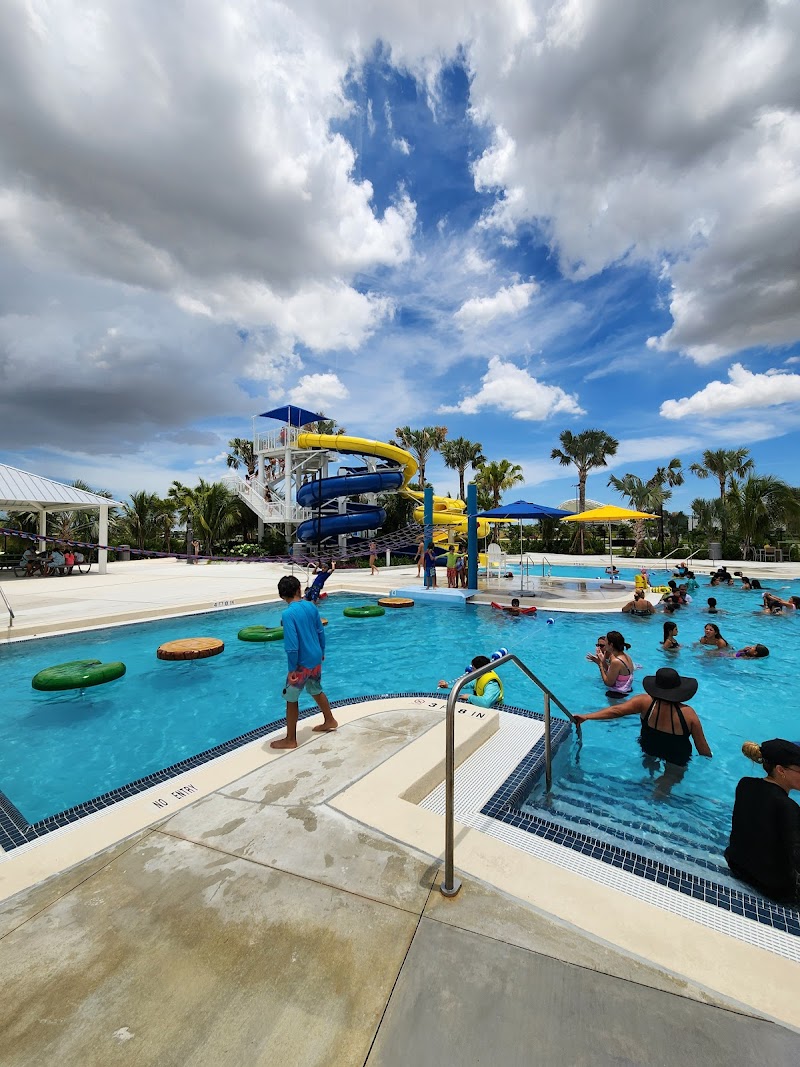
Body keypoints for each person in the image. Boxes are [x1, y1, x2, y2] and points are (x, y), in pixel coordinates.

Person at [573, 668, 712, 795]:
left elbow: (616, 711)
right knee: (668, 780)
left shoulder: (644, 702)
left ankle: (647, 781)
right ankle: (659, 797)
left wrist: (586, 716)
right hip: (676, 755)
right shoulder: (688, 714)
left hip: (650, 745)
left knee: (649, 765)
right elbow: (702, 748)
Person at [725, 738, 800, 903]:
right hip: (773, 888)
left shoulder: (744, 784)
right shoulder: (788, 807)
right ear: (780, 770)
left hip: (737, 865)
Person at [270, 574, 337, 750]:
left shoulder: (288, 614)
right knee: (315, 689)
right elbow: (320, 631)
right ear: (299, 589)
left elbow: (292, 646)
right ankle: (329, 720)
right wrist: (321, 651)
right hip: (315, 658)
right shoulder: (311, 606)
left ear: (281, 596)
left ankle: (290, 739)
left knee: (291, 698)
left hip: (301, 663)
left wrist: (292, 669)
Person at [438, 654, 504, 708]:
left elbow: (486, 703)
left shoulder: (492, 685)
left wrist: (469, 697)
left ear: (480, 670)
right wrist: (447, 686)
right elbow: (466, 684)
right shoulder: (481, 676)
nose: (471, 671)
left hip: (495, 709)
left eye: (473, 668)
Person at [586, 630, 634, 698]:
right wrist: (600, 661)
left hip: (617, 694)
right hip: (627, 690)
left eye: (605, 641)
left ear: (611, 645)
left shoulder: (616, 661)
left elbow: (608, 683)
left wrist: (600, 665)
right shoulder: (626, 656)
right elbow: (611, 671)